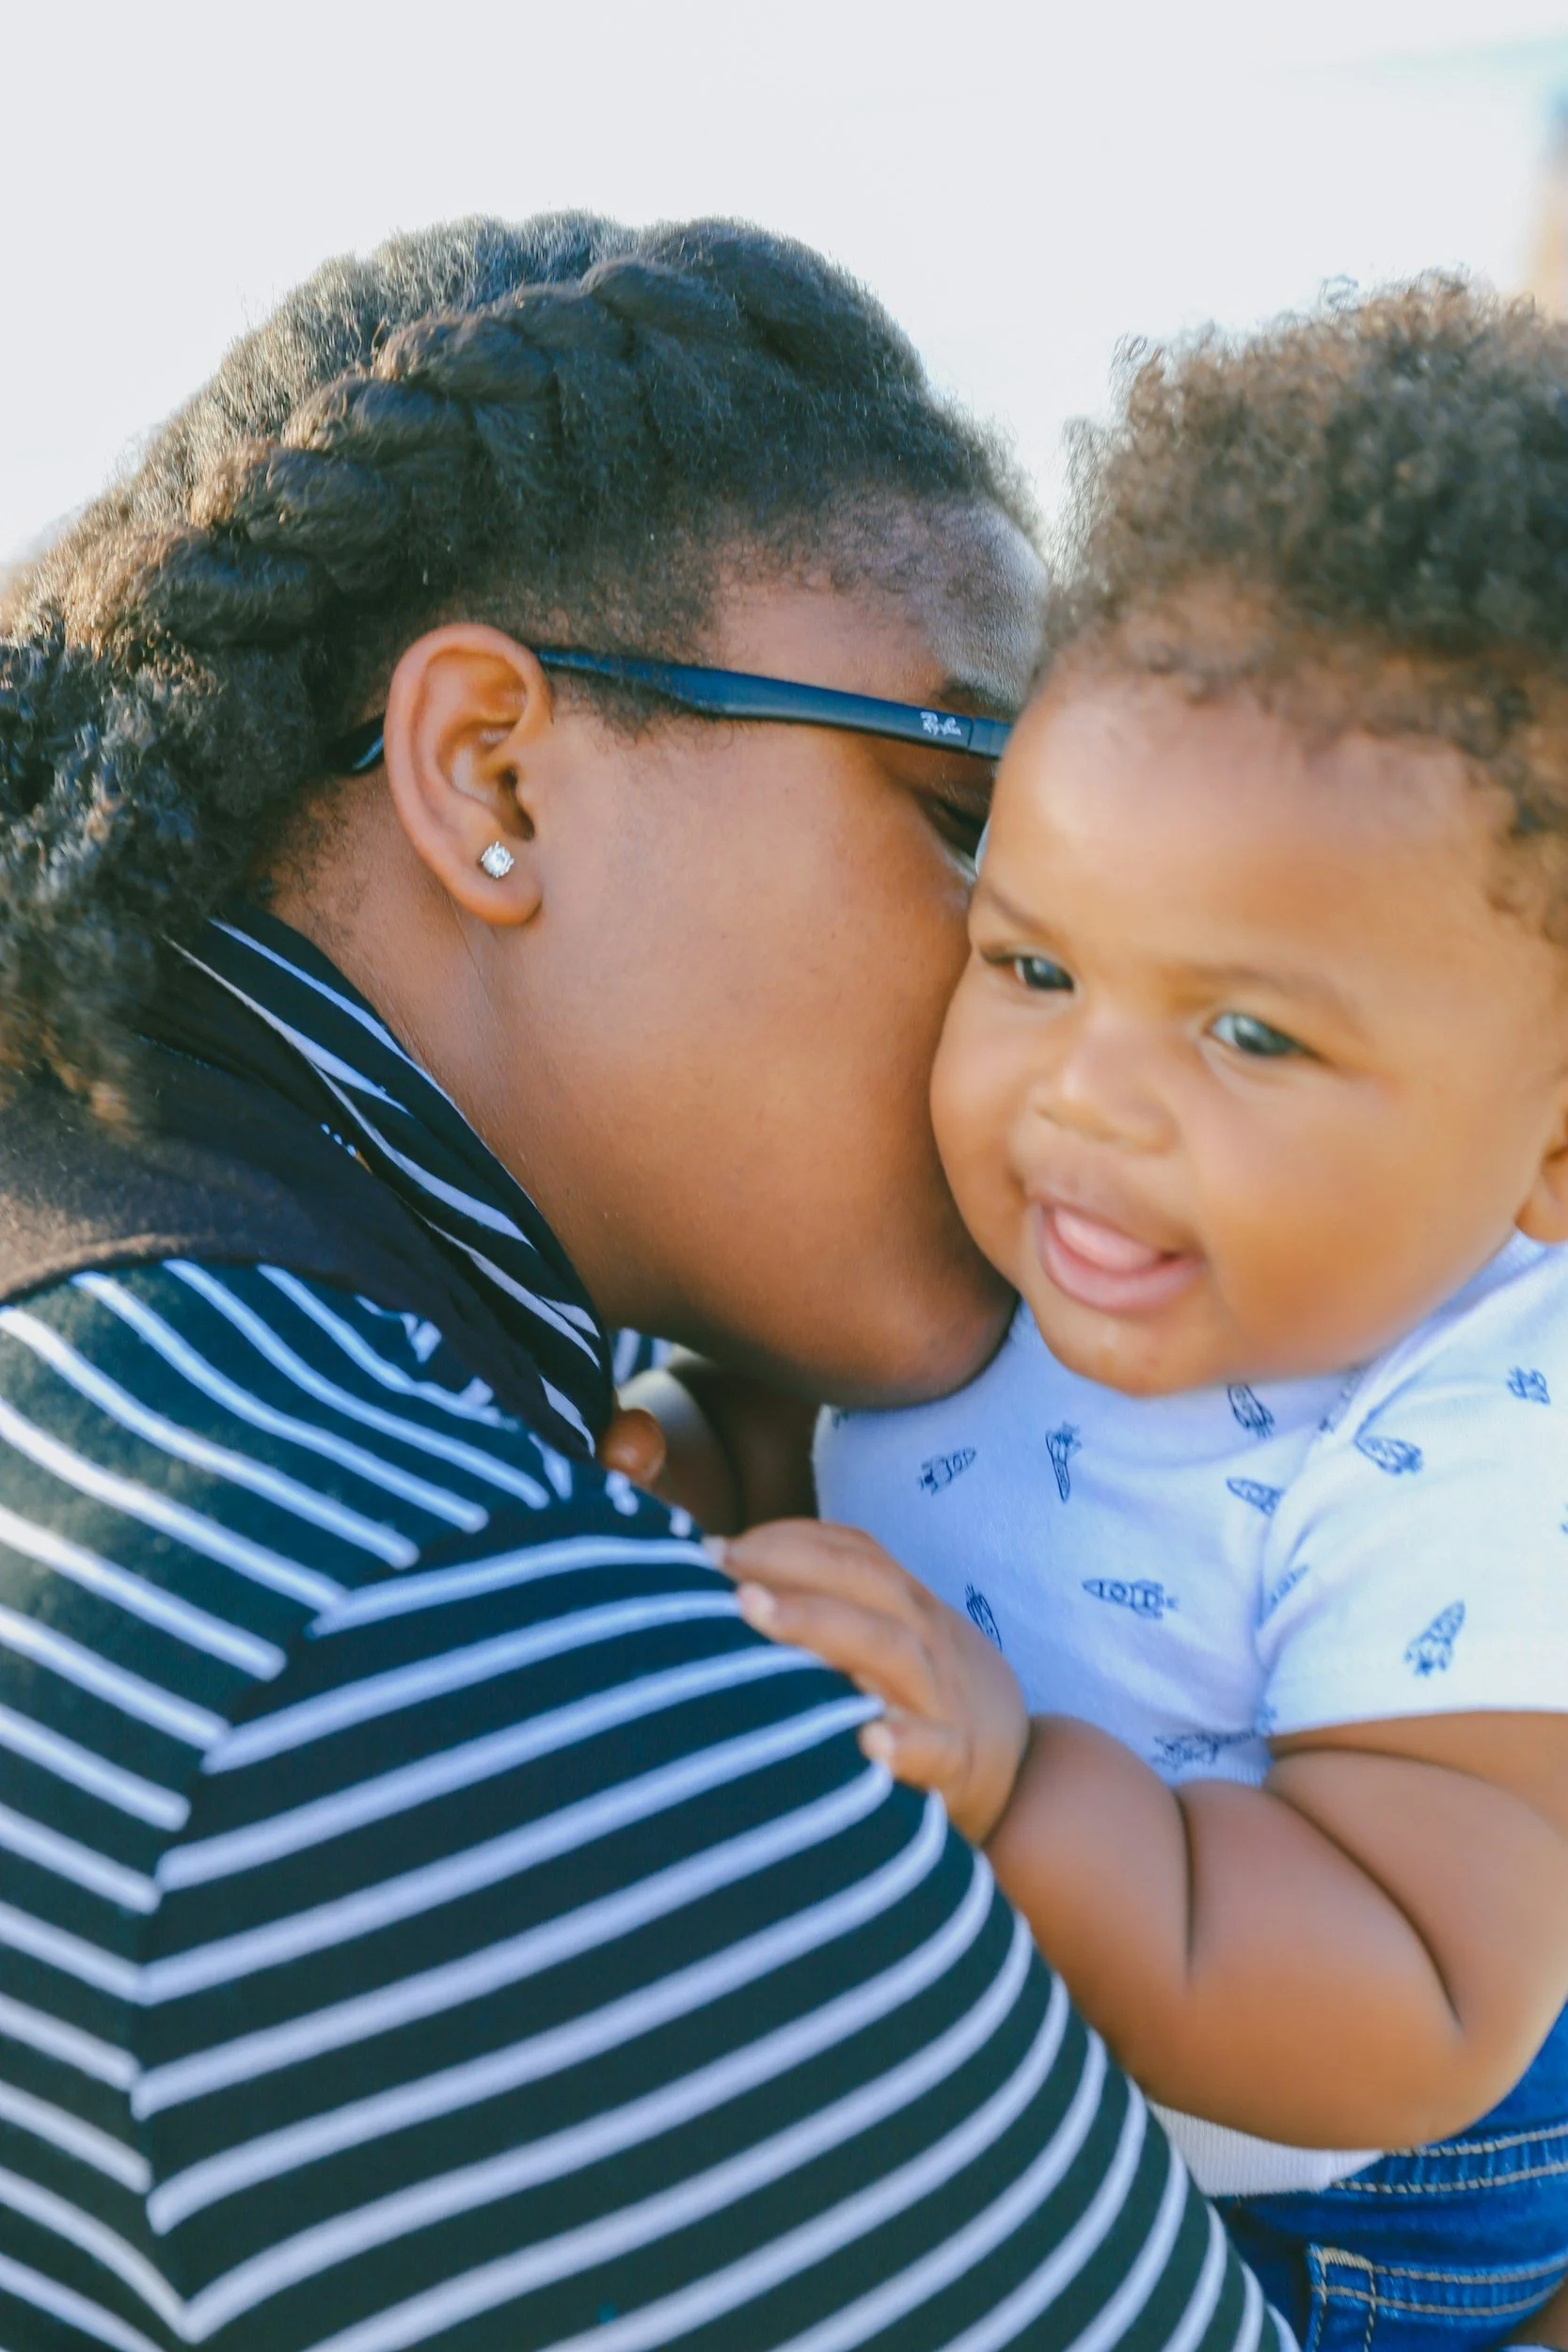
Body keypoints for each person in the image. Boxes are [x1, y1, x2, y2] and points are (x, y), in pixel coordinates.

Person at [0, 215, 1284, 2352]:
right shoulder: (433, 1658)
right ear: (489, 771)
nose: (1076, 1007)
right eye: (970, 812)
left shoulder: (144, 1390)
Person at [716, 278, 1568, 2348]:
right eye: (1028, 965)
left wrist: (1017, 1791)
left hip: (1334, 2202)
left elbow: (1418, 1992)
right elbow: (874, 1448)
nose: (1085, 1092)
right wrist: (709, 1461)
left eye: (1252, 1031)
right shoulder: (1046, 1223)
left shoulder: (1473, 1438)